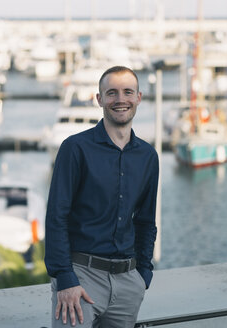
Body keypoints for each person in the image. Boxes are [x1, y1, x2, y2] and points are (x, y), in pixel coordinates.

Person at [44, 66, 159, 327]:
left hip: (129, 282)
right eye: (111, 93)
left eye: (128, 92)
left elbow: (145, 221)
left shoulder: (148, 156)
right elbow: (56, 217)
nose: (120, 100)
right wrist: (65, 278)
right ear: (99, 99)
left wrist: (143, 275)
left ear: (138, 98)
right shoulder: (75, 148)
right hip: (81, 278)